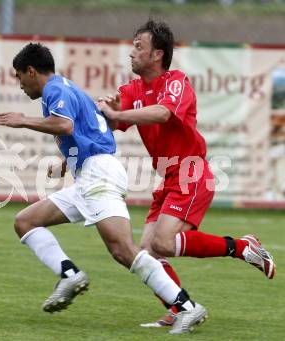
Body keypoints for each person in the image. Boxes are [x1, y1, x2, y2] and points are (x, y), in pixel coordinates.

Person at [0, 42, 207, 334]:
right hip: (89, 174)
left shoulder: (56, 90)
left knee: (123, 250)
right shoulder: (63, 88)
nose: (19, 84)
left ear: (31, 71)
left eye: (19, 76)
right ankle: (69, 275)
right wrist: (66, 163)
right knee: (26, 221)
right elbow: (84, 132)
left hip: (100, 174)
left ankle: (186, 307)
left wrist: (23, 121)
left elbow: (66, 126)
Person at [97, 19, 276, 328]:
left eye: (138, 47)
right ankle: (179, 308)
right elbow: (113, 122)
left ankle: (242, 248)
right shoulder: (131, 89)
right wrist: (106, 110)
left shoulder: (175, 81)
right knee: (146, 254)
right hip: (167, 177)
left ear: (157, 54)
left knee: (163, 243)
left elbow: (164, 112)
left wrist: (118, 113)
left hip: (190, 173)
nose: (131, 53)